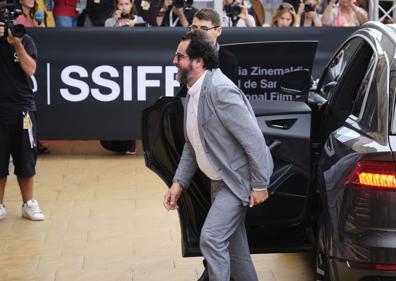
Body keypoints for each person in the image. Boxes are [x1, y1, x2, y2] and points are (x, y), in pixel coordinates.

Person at [163, 30, 273, 281]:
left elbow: (254, 139)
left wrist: (260, 183)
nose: (174, 61)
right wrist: (178, 183)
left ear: (198, 61)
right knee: (236, 253)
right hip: (219, 182)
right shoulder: (194, 91)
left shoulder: (220, 91)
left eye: (179, 56)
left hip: (237, 181)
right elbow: (193, 144)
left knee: (211, 239)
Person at [0, 21, 45, 221]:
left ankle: (28, 203)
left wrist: (16, 44)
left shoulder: (24, 39)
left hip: (22, 109)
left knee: (26, 159)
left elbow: (31, 69)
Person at [177, 8, 238, 98]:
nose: (197, 33)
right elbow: (184, 93)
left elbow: (226, 97)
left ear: (218, 31)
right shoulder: (187, 56)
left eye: (204, 29)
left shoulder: (228, 60)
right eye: (194, 28)